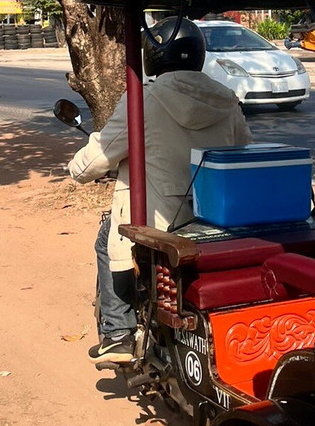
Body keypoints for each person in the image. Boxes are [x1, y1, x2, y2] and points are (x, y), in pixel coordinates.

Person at [67, 18, 251, 364]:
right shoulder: (225, 98)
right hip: (215, 215)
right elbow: (244, 149)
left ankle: (118, 332)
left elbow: (103, 151)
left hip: (158, 219)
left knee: (107, 238)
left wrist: (76, 170)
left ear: (154, 55)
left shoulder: (145, 97)